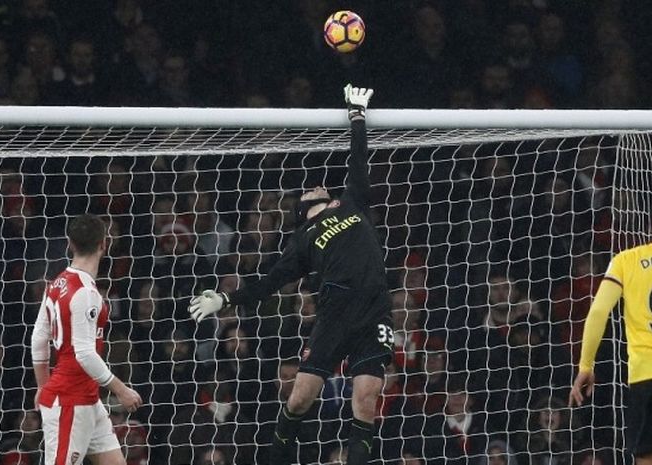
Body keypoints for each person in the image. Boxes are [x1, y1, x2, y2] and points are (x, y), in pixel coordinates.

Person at [188, 84, 393, 465]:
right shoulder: (302, 241)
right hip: (334, 314)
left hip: (374, 311)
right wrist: (227, 298)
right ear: (304, 209)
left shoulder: (352, 202)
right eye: (310, 190)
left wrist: (357, 117)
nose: (317, 185)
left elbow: (358, 161)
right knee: (299, 399)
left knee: (366, 400)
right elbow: (268, 283)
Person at [569, 195, 652, 465]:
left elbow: (598, 312)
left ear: (650, 226)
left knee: (647, 457)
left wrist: (585, 365)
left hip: (645, 376)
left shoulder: (626, 261)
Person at [30, 214, 142, 465]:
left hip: (89, 400)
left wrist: (42, 386)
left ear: (70, 243)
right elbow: (84, 354)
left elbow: (38, 338)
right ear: (104, 243)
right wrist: (121, 390)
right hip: (70, 401)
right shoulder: (85, 293)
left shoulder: (56, 283)